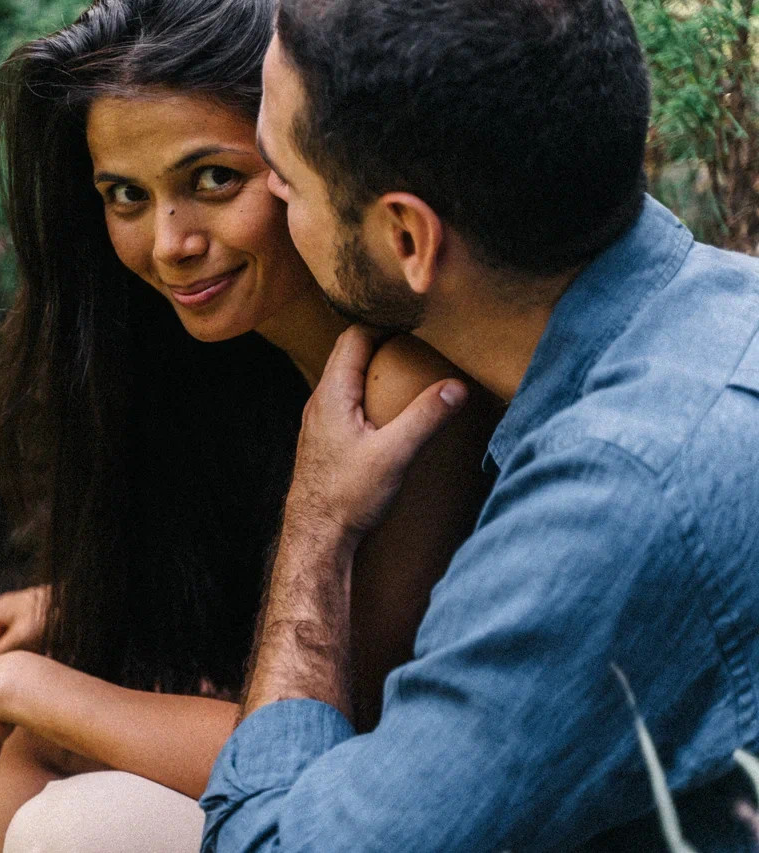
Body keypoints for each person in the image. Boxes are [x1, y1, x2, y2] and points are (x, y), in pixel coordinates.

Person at [0, 0, 501, 849]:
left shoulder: (404, 388)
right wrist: (76, 607)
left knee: (55, 784)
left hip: (389, 815)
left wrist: (20, 686)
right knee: (20, 741)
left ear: (304, 162)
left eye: (213, 179)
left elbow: (323, 748)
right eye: (126, 195)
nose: (169, 242)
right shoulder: (234, 356)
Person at [201, 0, 759, 849]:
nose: (271, 196)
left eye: (285, 176)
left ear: (407, 238)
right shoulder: (724, 311)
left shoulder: (615, 497)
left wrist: (316, 528)